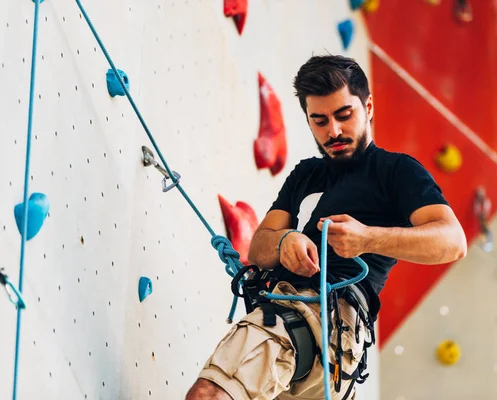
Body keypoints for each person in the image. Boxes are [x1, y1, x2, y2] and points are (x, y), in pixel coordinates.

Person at [186, 54, 467, 400]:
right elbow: (259, 247)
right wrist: (284, 241)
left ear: (368, 107)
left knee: (212, 395)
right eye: (319, 121)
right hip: (299, 318)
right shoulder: (306, 175)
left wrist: (368, 238)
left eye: (343, 115)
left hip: (333, 320)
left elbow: (452, 240)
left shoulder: (396, 172)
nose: (332, 131)